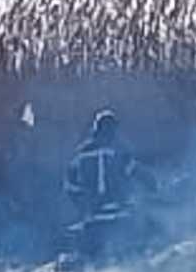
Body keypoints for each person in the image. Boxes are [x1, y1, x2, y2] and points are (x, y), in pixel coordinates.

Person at [62, 109, 155, 260]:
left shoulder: (80, 157)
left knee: (93, 265)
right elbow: (142, 175)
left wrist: (85, 205)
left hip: (93, 220)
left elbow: (70, 187)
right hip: (120, 219)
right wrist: (155, 188)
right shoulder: (119, 154)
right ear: (112, 132)